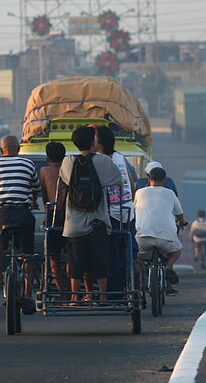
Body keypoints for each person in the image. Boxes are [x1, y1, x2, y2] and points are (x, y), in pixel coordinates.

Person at [57, 126, 123, 303]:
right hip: (98, 220)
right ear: (93, 141)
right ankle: (102, 296)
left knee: (75, 262)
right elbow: (118, 180)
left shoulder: (68, 161)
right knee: (101, 261)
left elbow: (63, 181)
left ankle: (74, 297)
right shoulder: (102, 161)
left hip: (74, 223)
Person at [0, 136, 40, 312]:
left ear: (2, 150)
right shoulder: (28, 164)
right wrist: (32, 201)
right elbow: (35, 188)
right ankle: (27, 293)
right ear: (19, 149)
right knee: (27, 254)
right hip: (23, 213)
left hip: (2, 213)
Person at [93, 126, 136, 298]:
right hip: (127, 211)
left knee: (111, 254)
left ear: (100, 143)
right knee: (127, 252)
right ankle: (130, 288)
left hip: (108, 214)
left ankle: (114, 293)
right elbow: (132, 185)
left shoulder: (97, 160)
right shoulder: (121, 158)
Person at [133, 167, 186, 295]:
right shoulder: (170, 193)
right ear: (164, 181)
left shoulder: (139, 192)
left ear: (149, 179)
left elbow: (134, 210)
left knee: (138, 258)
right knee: (176, 251)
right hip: (165, 238)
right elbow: (179, 214)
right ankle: (168, 267)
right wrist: (181, 222)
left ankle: (140, 283)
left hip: (143, 237)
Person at [39, 141, 68, 293]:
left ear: (47, 158)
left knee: (53, 256)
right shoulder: (69, 169)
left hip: (53, 214)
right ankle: (72, 291)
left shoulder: (44, 171)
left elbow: (44, 197)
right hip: (70, 215)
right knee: (71, 255)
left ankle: (61, 291)